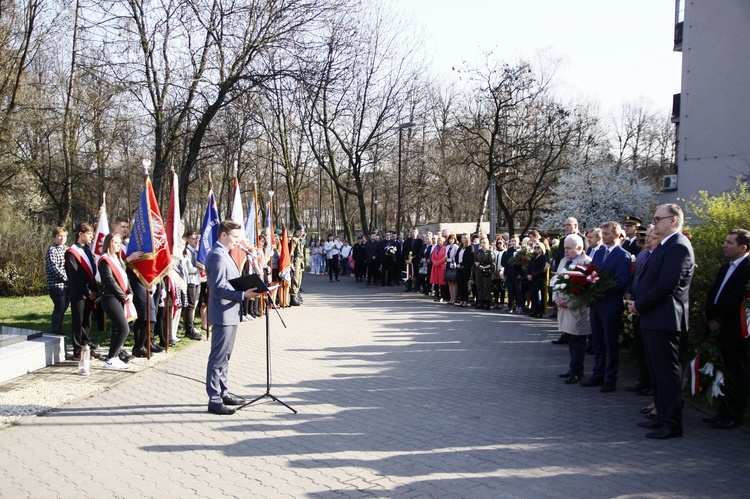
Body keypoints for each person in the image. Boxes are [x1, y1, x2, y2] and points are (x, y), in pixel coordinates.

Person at [628, 203, 695, 439]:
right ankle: (661, 416)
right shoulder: (666, 246)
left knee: (667, 374)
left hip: (665, 320)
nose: (653, 224)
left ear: (674, 220)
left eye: (658, 219)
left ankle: (672, 423)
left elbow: (667, 285)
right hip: (653, 318)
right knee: (658, 373)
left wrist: (640, 304)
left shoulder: (678, 247)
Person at [205, 220, 261, 416]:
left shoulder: (225, 254)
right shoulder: (217, 257)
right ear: (223, 235)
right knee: (218, 358)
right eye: (235, 237)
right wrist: (243, 295)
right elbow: (219, 289)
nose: (238, 241)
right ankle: (214, 399)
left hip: (230, 313)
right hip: (222, 314)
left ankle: (223, 391)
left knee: (225, 357)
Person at [701, 229, 750, 429]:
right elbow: (714, 292)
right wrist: (709, 316)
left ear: (742, 247)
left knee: (736, 373)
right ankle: (722, 411)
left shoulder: (747, 268)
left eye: (729, 243)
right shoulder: (725, 267)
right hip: (718, 326)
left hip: (734, 330)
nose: (724, 245)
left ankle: (734, 415)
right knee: (721, 370)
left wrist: (716, 314)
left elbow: (736, 298)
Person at [582, 221, 632, 393]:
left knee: (610, 342)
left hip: (610, 304)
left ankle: (610, 378)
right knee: (597, 341)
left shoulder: (622, 255)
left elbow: (621, 281)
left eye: (607, 234)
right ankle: (598, 373)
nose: (603, 237)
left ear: (617, 235)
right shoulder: (599, 252)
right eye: (602, 233)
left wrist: (601, 291)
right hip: (596, 304)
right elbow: (592, 273)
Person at [553, 234, 593, 384]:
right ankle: (572, 368)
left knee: (578, 341)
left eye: (569, 248)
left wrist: (569, 303)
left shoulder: (587, 263)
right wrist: (555, 298)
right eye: (564, 248)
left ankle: (577, 372)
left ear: (580, 248)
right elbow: (555, 280)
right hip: (563, 308)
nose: (566, 251)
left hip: (577, 311)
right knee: (570, 339)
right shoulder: (564, 261)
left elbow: (587, 290)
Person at [624, 226, 656, 395]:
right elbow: (635, 278)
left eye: (651, 236)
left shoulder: (658, 256)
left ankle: (652, 384)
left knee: (652, 352)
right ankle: (643, 380)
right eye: (646, 237)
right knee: (640, 349)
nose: (647, 240)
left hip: (649, 308)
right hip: (636, 306)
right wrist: (630, 295)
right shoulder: (643, 255)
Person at [97, 233, 133, 370]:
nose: (118, 245)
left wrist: (130, 293)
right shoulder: (105, 260)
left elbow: (125, 278)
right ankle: (110, 358)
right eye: (115, 242)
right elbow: (109, 280)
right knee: (124, 329)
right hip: (110, 298)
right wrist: (123, 295)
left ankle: (114, 357)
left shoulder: (118, 259)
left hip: (120, 297)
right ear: (108, 243)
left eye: (119, 243)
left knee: (117, 329)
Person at [65, 222, 98, 361]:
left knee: (87, 321)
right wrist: (87, 291)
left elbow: (93, 270)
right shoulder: (71, 252)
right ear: (80, 233)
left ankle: (86, 345)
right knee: (78, 322)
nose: (91, 236)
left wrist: (94, 290)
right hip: (79, 293)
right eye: (89, 233)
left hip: (90, 292)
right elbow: (74, 275)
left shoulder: (88, 250)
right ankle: (77, 349)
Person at [45, 227, 69, 336]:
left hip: (67, 286)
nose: (62, 238)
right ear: (54, 237)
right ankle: (55, 330)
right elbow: (53, 267)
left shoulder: (67, 249)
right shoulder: (52, 250)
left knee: (64, 307)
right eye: (59, 236)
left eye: (64, 236)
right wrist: (65, 278)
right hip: (56, 285)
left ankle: (59, 329)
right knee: (59, 306)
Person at [182, 231, 203, 340]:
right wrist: (201, 267)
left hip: (197, 280)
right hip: (190, 281)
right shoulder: (187, 252)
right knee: (190, 306)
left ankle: (191, 326)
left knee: (194, 305)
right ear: (187, 240)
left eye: (196, 239)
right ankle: (189, 329)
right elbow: (190, 269)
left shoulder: (197, 251)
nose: (196, 241)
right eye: (193, 239)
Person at [526, 241, 549, 317]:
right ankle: (535, 310)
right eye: (535, 247)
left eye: (538, 247)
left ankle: (539, 311)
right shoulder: (534, 257)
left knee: (534, 294)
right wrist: (528, 274)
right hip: (531, 278)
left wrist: (533, 275)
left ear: (542, 248)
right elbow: (528, 267)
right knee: (532, 295)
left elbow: (543, 269)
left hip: (539, 278)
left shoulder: (544, 257)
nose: (536, 249)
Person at [474, 237, 495, 310]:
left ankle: (487, 302)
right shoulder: (478, 251)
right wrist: (477, 263)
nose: (482, 244)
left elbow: (492, 263)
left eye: (484, 242)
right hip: (479, 271)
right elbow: (475, 259)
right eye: (481, 242)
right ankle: (481, 301)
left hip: (486, 271)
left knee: (486, 287)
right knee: (479, 286)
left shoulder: (489, 252)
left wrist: (485, 267)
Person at [402, 228, 424, 292]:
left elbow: (420, 250)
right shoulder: (407, 240)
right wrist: (407, 256)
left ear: (417, 233)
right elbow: (404, 249)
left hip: (416, 259)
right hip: (409, 260)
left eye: (415, 232)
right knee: (409, 273)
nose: (413, 233)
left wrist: (415, 256)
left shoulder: (420, 241)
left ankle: (417, 288)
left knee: (417, 274)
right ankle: (409, 287)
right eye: (412, 232)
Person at [455, 233, 474, 307]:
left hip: (465, 268)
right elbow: (456, 256)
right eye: (462, 238)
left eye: (465, 238)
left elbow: (468, 258)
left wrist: (461, 264)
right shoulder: (460, 247)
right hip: (459, 268)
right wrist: (457, 264)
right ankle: (461, 299)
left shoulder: (470, 247)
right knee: (460, 284)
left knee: (465, 285)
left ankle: (465, 300)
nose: (463, 239)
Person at [289, 225, 306, 305]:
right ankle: (292, 296)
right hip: (296, 261)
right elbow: (292, 252)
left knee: (299, 278)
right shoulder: (294, 240)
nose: (302, 232)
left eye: (303, 231)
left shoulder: (300, 240)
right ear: (297, 231)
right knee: (295, 278)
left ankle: (296, 294)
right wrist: (291, 262)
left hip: (300, 260)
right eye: (301, 231)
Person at [430, 235, 447, 302]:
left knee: (442, 282)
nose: (439, 242)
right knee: (436, 282)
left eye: (440, 241)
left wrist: (438, 263)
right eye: (438, 241)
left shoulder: (445, 248)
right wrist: (435, 263)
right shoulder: (435, 248)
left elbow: (444, 258)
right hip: (435, 267)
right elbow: (432, 257)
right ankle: (437, 295)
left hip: (441, 266)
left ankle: (442, 296)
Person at [444, 233, 459, 304]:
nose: (451, 240)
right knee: (449, 282)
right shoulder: (447, 247)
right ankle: (451, 298)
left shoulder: (456, 247)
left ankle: (454, 298)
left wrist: (448, 260)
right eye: (450, 239)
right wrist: (446, 259)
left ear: (454, 239)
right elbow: (445, 256)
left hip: (453, 265)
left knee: (453, 282)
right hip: (448, 265)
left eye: (452, 239)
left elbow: (456, 258)